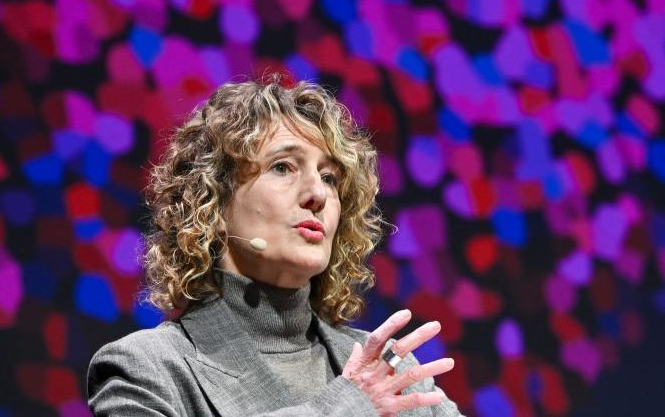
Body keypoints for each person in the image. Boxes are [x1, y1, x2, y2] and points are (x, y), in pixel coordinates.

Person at [87, 78, 461, 416]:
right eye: (283, 167)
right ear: (213, 203)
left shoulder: (386, 371)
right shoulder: (147, 368)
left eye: (329, 177)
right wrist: (348, 407)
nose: (317, 194)